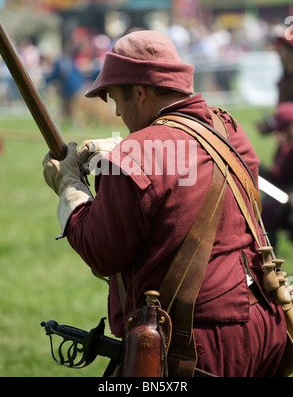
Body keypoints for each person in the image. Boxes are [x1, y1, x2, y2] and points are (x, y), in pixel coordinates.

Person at [42, 30, 287, 377]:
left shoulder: (135, 154)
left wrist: (69, 187)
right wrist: (115, 156)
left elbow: (102, 251)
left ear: (140, 93)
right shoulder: (227, 128)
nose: (116, 113)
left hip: (195, 345)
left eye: (117, 99)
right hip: (264, 332)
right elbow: (180, 162)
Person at [260, 102, 293, 250]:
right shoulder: (286, 147)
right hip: (285, 199)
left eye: (283, 130)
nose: (279, 136)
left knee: (265, 213)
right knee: (264, 211)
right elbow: (279, 178)